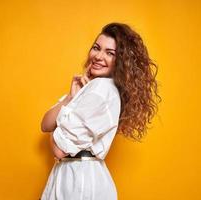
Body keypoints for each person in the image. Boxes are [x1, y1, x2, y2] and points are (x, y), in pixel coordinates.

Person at [40, 22, 161, 200]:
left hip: (80, 181)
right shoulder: (90, 88)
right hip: (74, 174)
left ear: (121, 61)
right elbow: (45, 124)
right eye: (96, 48)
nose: (98, 56)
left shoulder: (101, 90)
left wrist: (59, 126)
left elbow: (58, 150)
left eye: (110, 53)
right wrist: (70, 98)